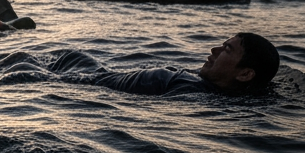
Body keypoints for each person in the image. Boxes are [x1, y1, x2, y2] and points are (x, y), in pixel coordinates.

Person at [75, 32, 280, 96]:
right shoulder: (200, 87)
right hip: (95, 75)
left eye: (226, 49)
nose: (214, 50)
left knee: (71, 55)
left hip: (83, 84)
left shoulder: (190, 92)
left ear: (245, 74)